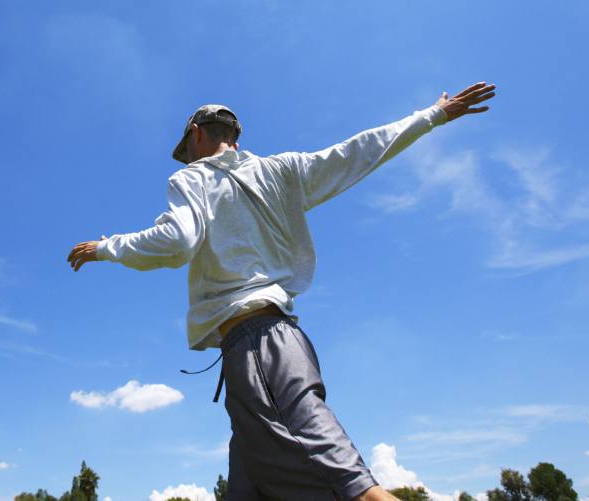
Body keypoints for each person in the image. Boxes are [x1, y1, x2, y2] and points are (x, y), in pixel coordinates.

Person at [67, 83, 496, 501]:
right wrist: (431, 116)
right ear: (233, 137)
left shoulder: (191, 179)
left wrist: (107, 248)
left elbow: (178, 242)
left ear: (195, 135)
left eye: (187, 147)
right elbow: (357, 152)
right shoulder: (282, 170)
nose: (187, 156)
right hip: (274, 345)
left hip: (259, 350)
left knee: (354, 490)